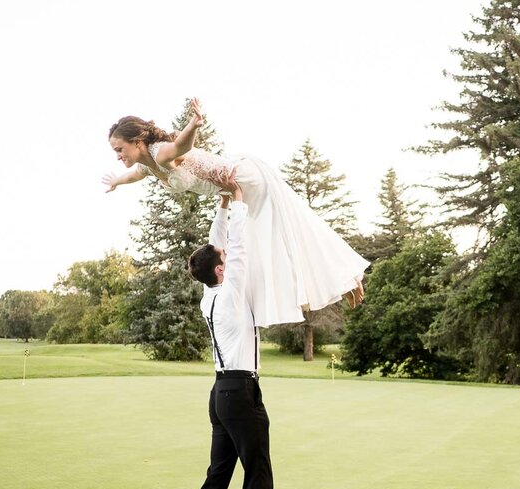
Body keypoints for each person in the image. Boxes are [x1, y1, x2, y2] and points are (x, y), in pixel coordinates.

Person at [103, 99, 368, 325]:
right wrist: (116, 181)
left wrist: (193, 125)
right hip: (234, 188)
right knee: (271, 241)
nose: (118, 155)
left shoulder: (159, 153)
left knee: (280, 236)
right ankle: (342, 280)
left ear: (137, 142)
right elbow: (133, 176)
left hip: (242, 179)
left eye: (119, 149)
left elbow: (181, 148)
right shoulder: (146, 165)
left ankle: (343, 278)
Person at [173, 182, 298, 489]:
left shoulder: (209, 295)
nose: (228, 258)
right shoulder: (229, 292)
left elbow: (217, 248)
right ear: (221, 270)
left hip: (220, 394)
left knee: (217, 477)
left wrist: (223, 205)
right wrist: (239, 203)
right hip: (241, 394)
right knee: (257, 472)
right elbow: (237, 250)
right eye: (224, 260)